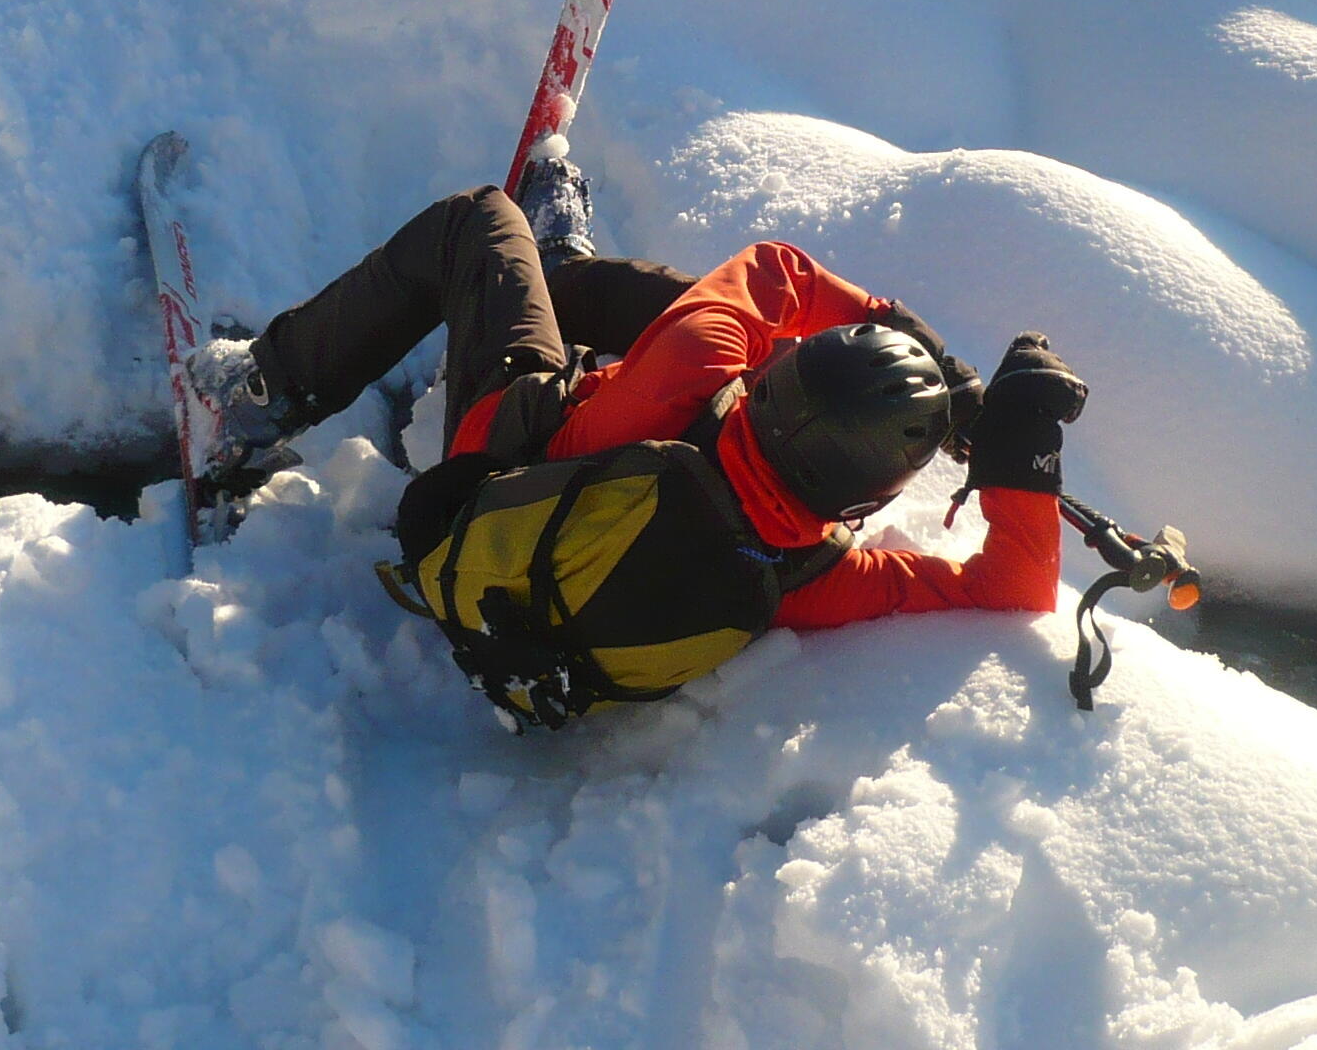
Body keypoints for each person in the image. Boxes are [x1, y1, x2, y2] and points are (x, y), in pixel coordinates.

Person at [179, 159, 1091, 728]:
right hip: (568, 545)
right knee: (649, 300)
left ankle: (264, 390)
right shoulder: (807, 575)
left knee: (475, 221)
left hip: (494, 463)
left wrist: (921, 344)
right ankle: (560, 271)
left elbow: (777, 271)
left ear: (774, 386)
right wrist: (1022, 454)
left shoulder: (699, 362)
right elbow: (1011, 585)